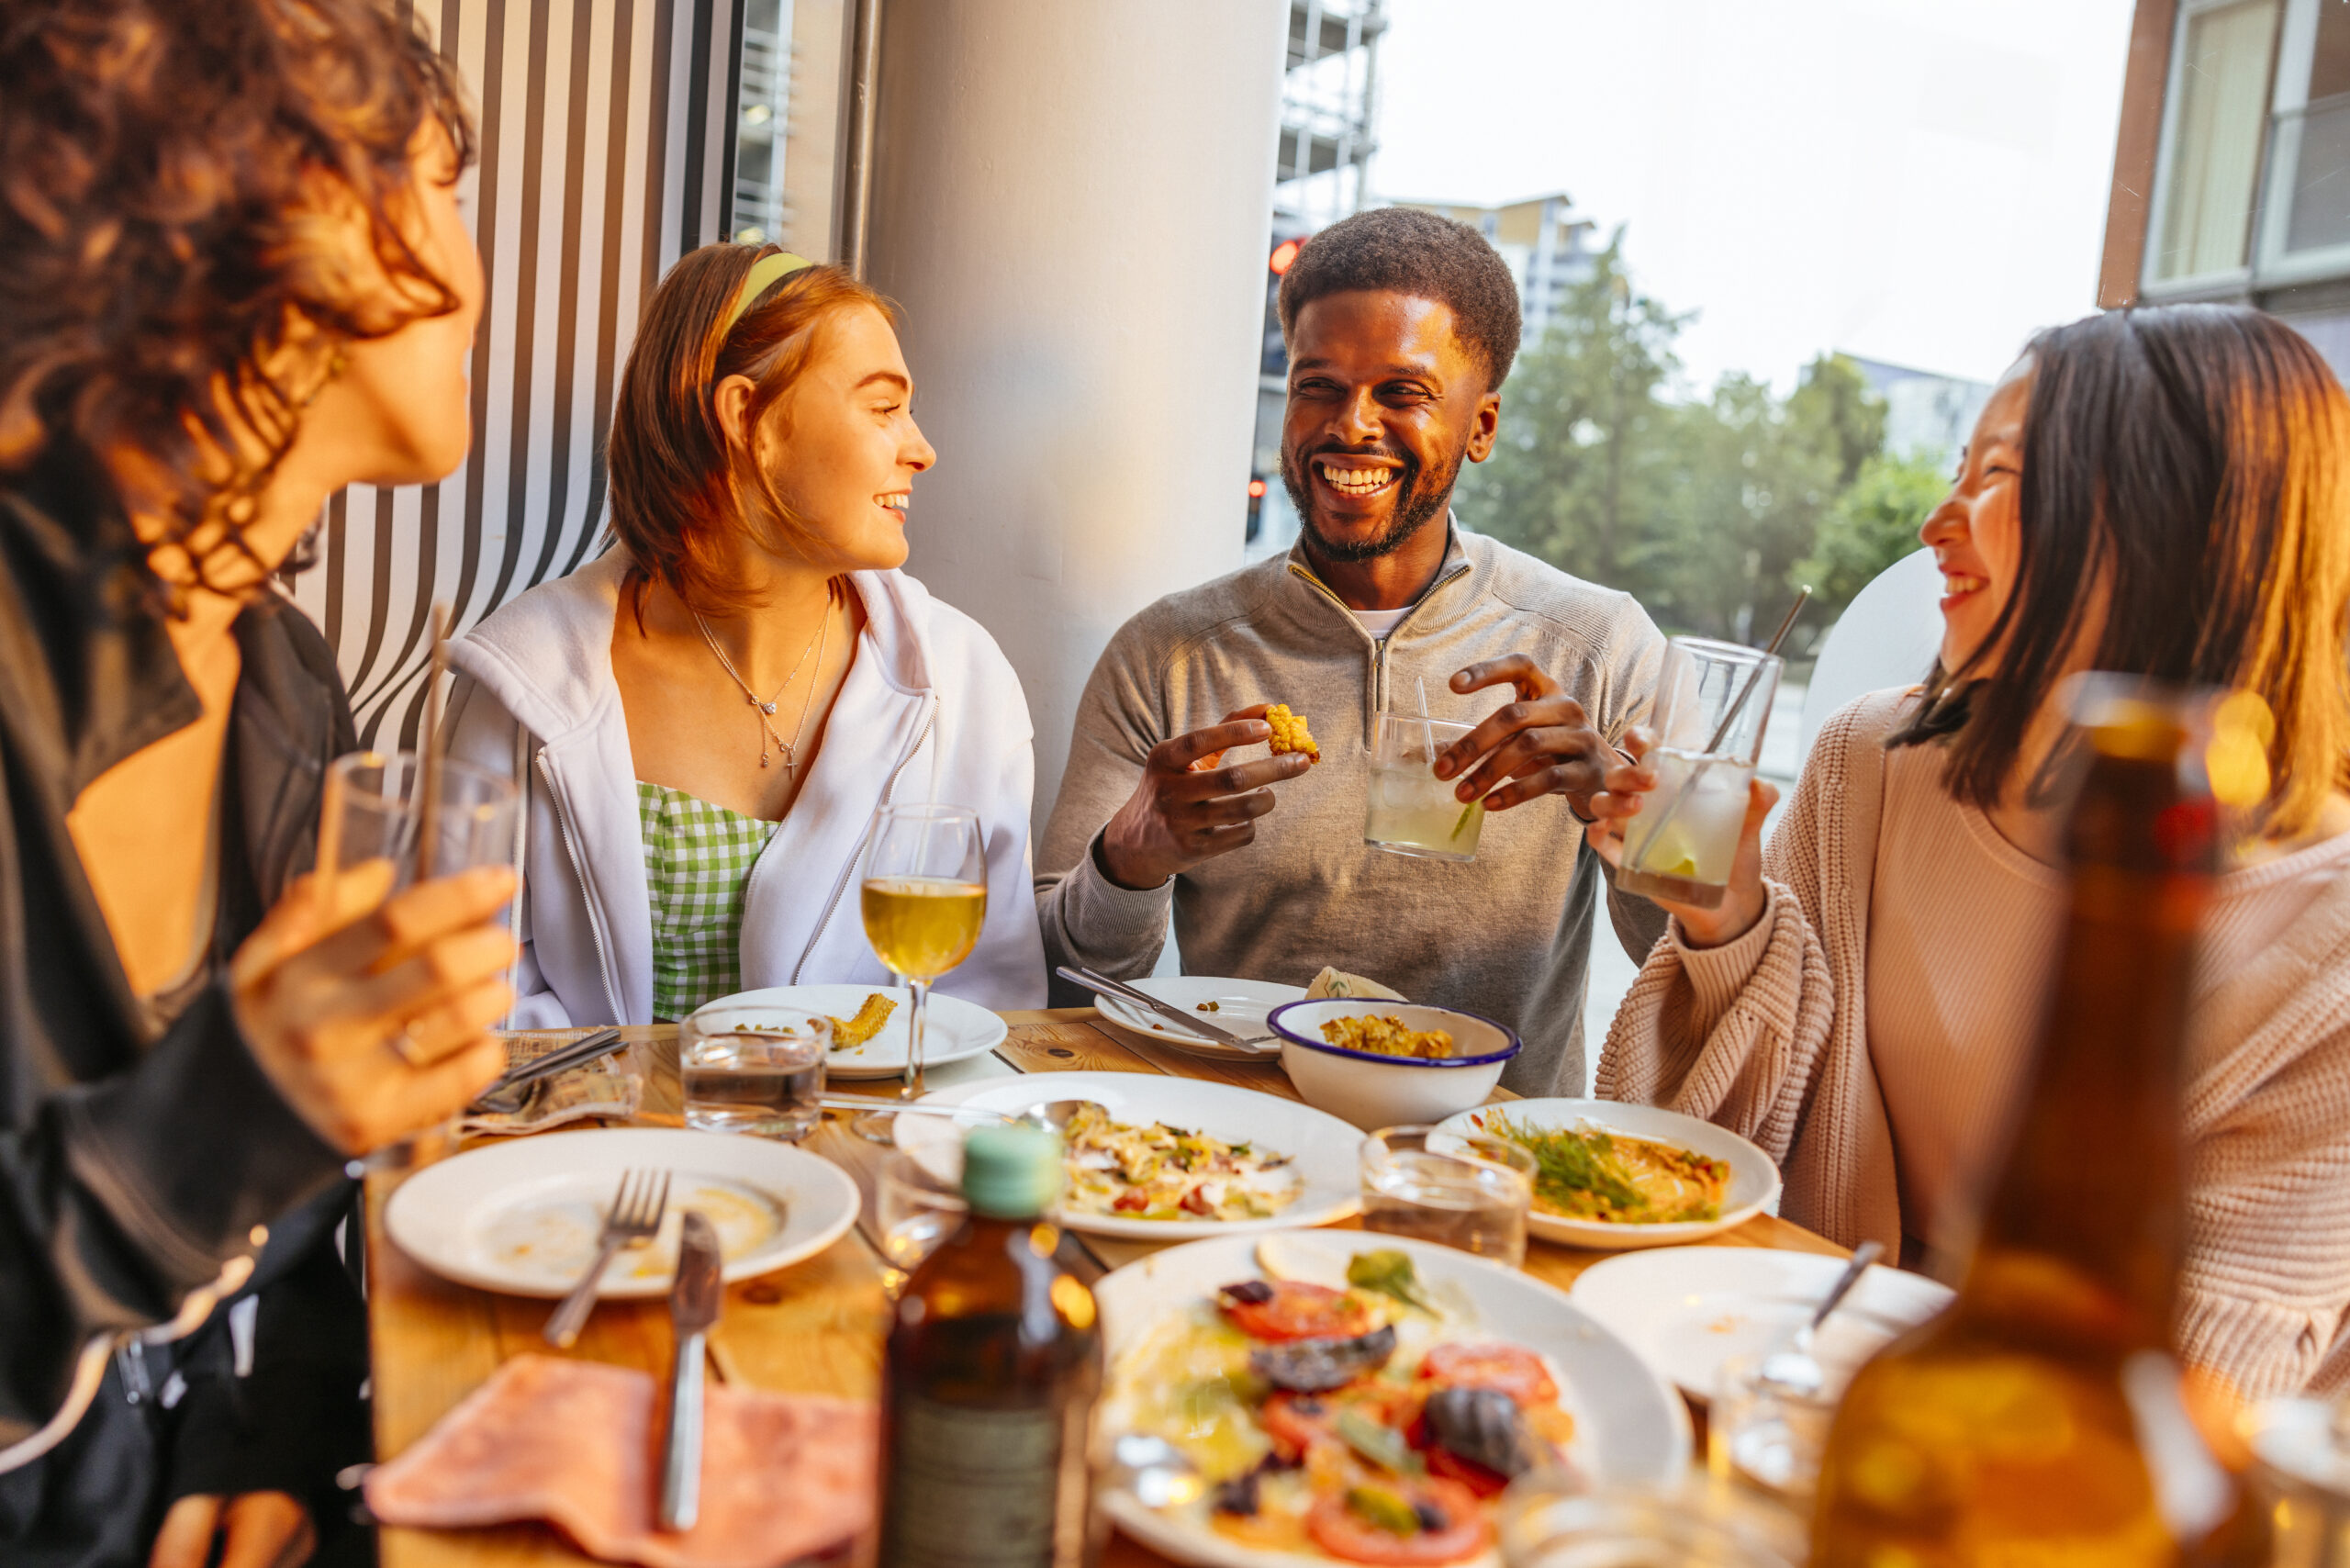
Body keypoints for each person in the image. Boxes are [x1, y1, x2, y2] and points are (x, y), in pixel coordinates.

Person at [1596, 305, 2350, 1398]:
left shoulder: (2327, 941)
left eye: (1998, 477)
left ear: (2165, 525)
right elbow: (1681, 1160)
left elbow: (2185, 1398)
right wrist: (1723, 911)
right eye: (1958, 469)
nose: (1934, 524)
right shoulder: (1876, 760)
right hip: (1766, 1374)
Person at [0, 0, 520, 1562]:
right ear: (269, 200)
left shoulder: (284, 678)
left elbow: (298, 1209)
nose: (472, 274)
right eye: (437, 183)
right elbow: (229, 1135)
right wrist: (225, 1112)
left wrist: (274, 1420)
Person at [1035, 207, 1666, 1094]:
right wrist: (1129, 856)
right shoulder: (1167, 655)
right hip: (1232, 1156)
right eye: (1317, 386)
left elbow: (1688, 957)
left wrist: (1629, 811)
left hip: (1494, 1163)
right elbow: (1062, 979)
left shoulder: (1601, 646)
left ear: (1481, 426)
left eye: (1401, 393)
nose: (1350, 426)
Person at [446, 245, 1046, 1025]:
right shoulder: (520, 685)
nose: (921, 449)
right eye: (883, 407)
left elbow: (987, 1006)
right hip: (603, 1140)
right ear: (745, 418)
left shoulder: (965, 682)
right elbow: (464, 1003)